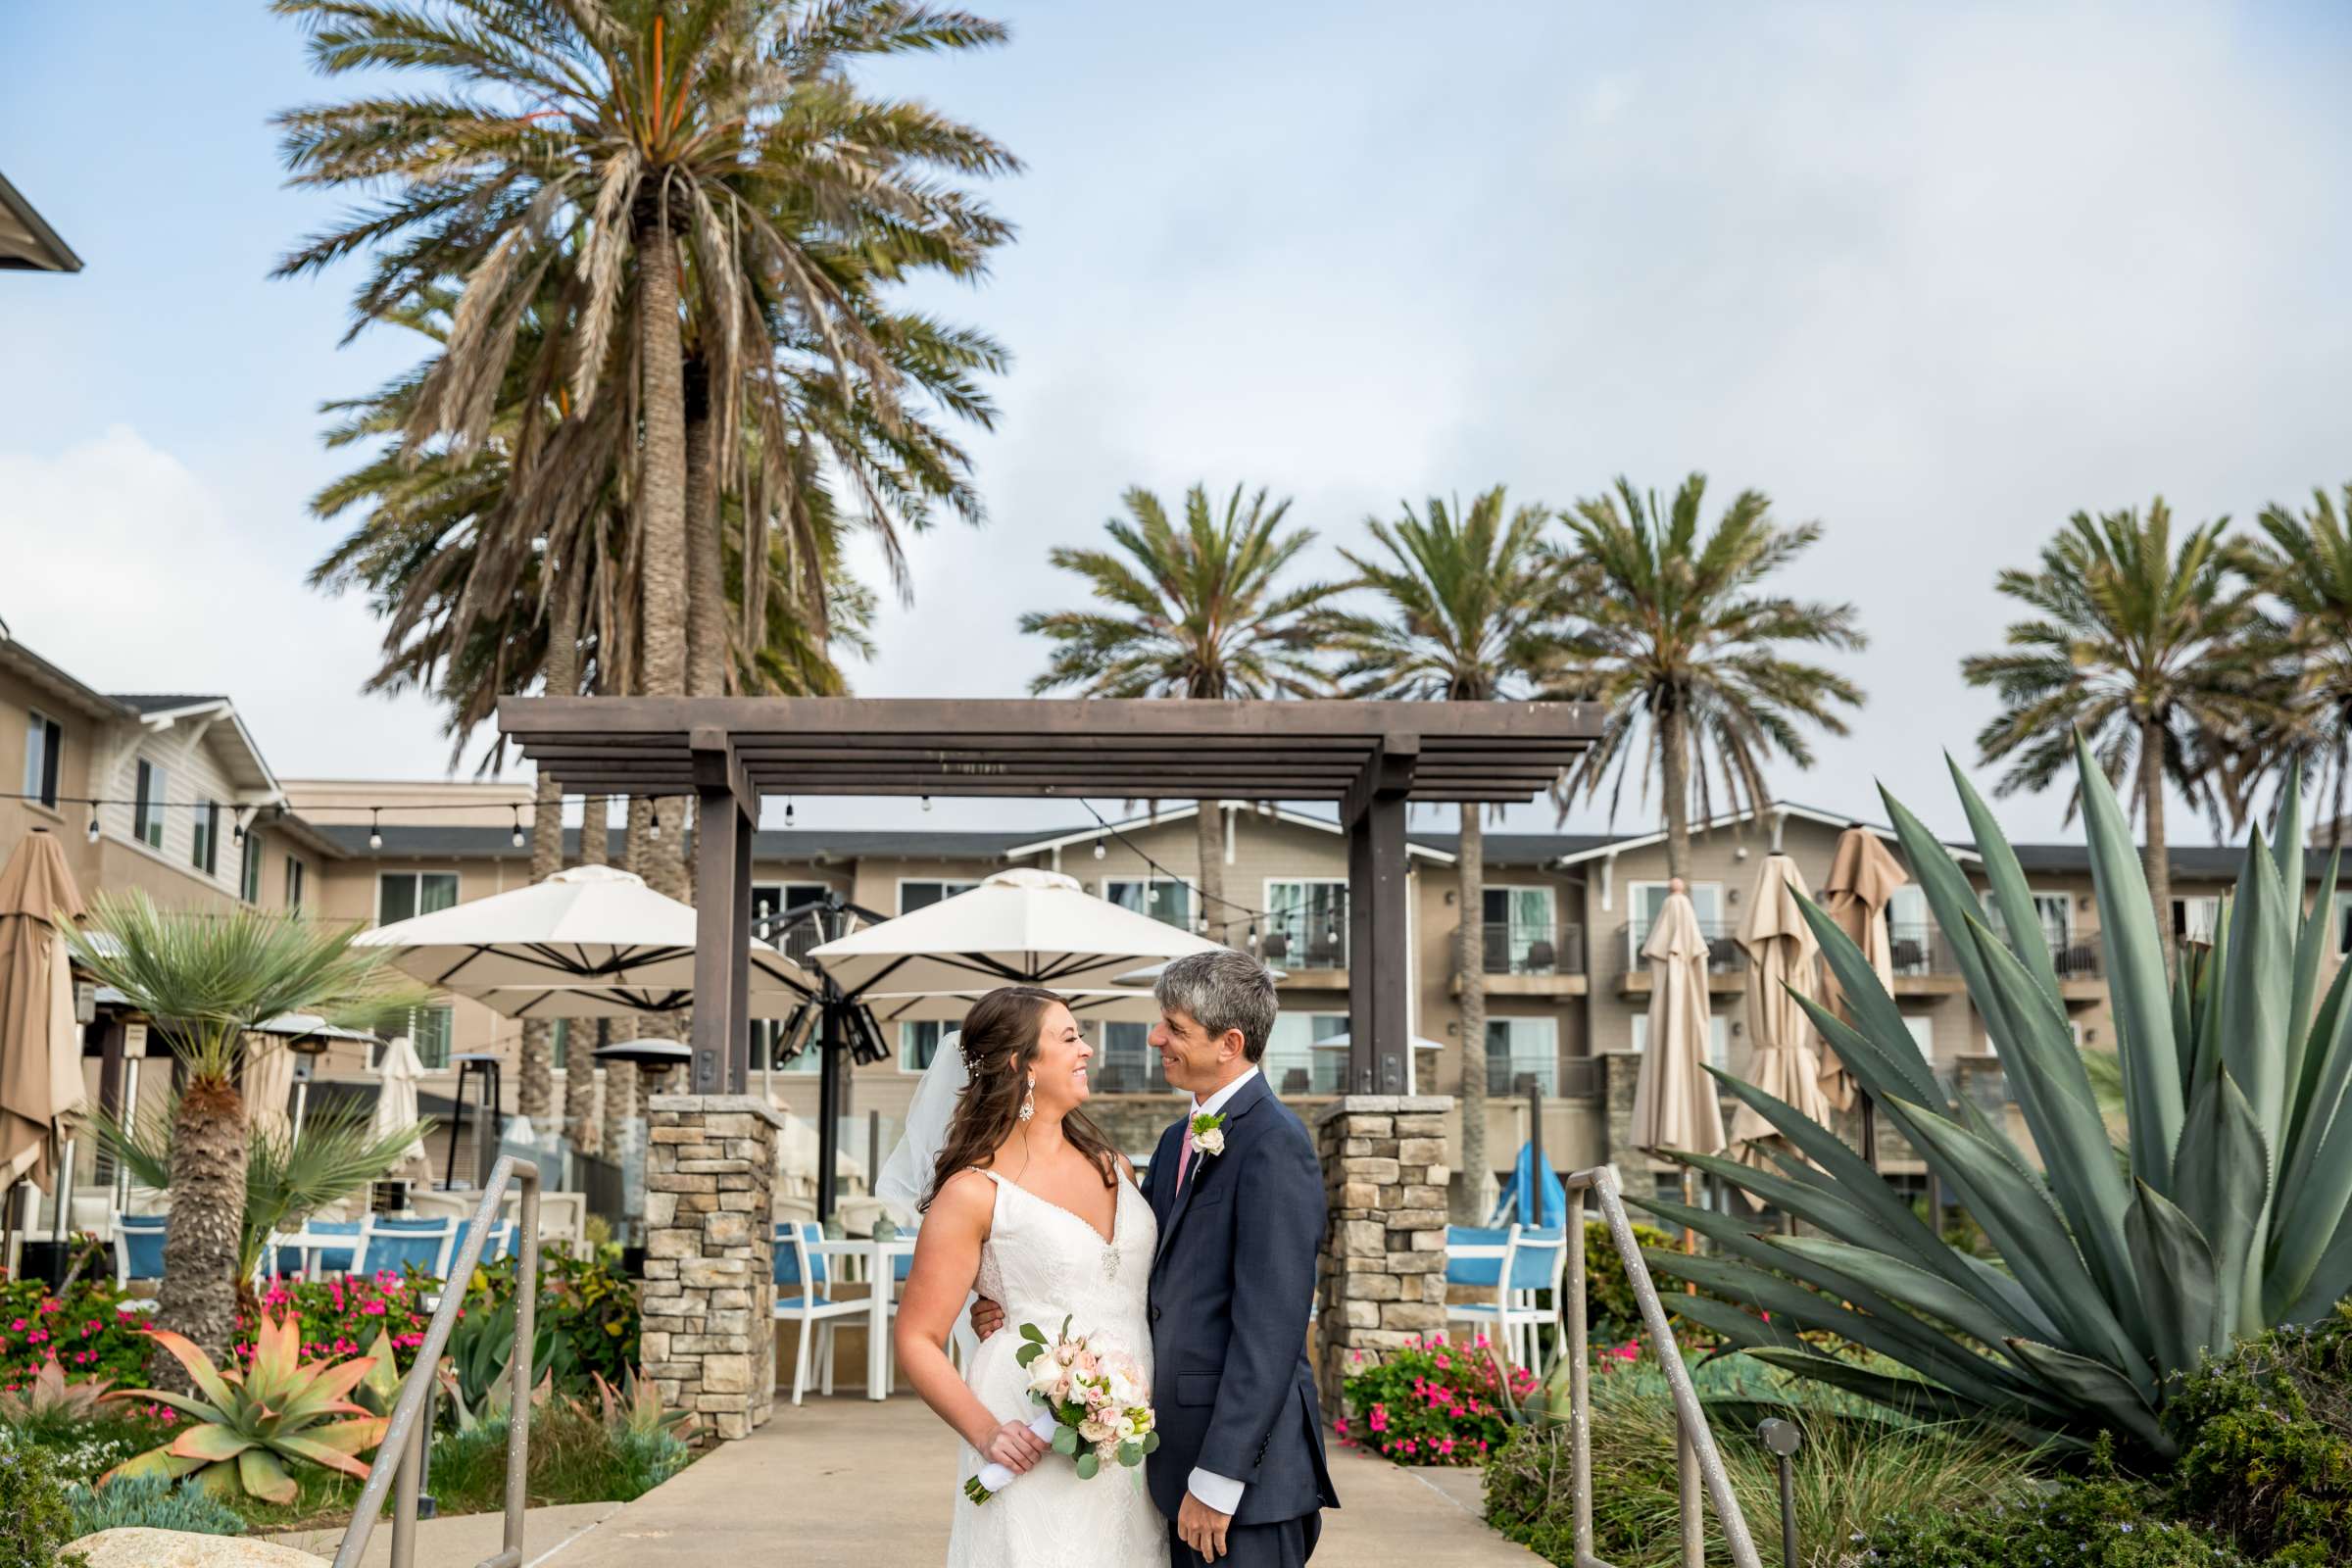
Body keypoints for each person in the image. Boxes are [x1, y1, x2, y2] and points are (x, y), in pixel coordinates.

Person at [970, 950, 1338, 1566]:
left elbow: (1272, 1330)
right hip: (1167, 1460)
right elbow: (1136, 1271)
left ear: (1230, 1042)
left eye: (1175, 1027)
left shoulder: (1276, 1144)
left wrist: (1219, 1478)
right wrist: (1007, 1297)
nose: (1155, 1037)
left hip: (1243, 1479)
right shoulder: (1175, 1141)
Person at [893, 985, 1168, 1566]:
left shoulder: (1114, 1164)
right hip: (1027, 1424)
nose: (1087, 1050)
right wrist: (988, 1432)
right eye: (1069, 1038)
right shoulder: (973, 1192)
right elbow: (916, 1338)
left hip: (1131, 1434)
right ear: (1022, 1065)